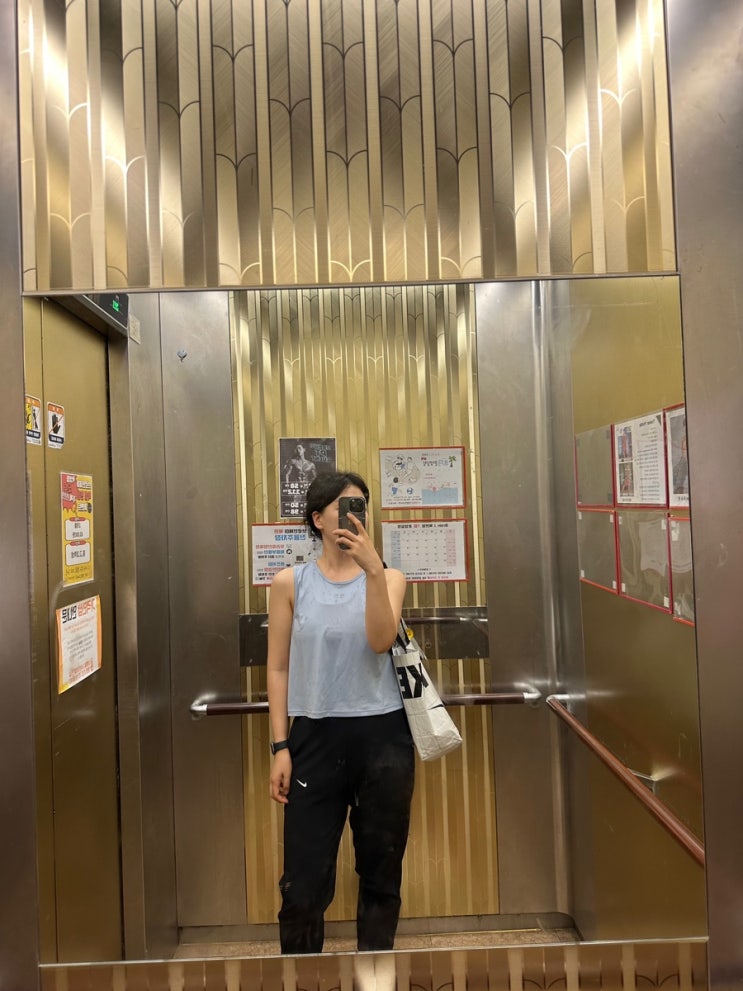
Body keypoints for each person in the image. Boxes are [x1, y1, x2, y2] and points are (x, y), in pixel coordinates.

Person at [267, 470, 414, 954]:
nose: (356, 516)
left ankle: (375, 977)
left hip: (383, 739)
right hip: (314, 738)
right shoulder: (290, 583)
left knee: (380, 874)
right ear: (318, 519)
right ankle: (302, 978)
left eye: (361, 506)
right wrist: (280, 746)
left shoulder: (390, 578)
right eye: (344, 507)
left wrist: (372, 571)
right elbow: (278, 668)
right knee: (303, 885)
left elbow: (380, 641)